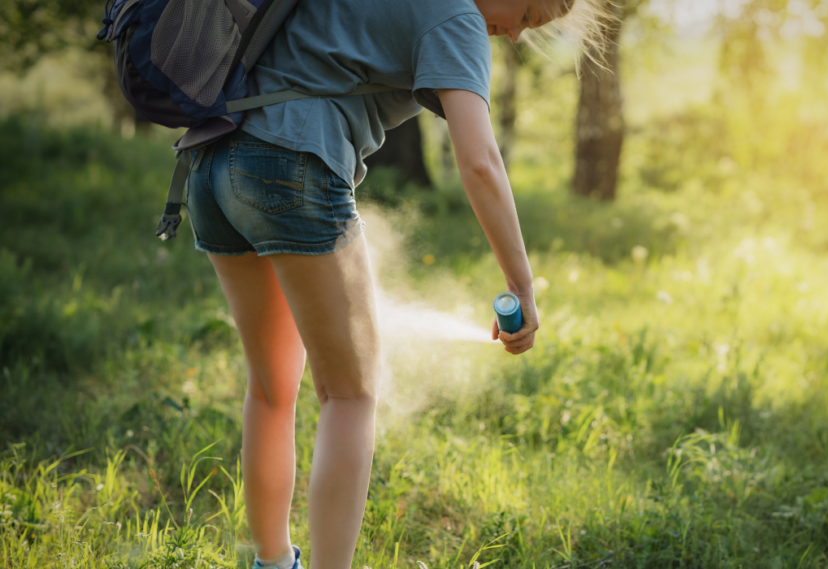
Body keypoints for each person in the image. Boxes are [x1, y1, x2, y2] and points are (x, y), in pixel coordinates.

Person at [183, 0, 608, 567]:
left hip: (211, 162)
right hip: (290, 165)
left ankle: (272, 561)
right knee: (351, 393)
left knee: (269, 387)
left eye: (531, 29)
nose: (512, 34)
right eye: (527, 14)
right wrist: (521, 284)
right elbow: (479, 159)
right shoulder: (456, 15)